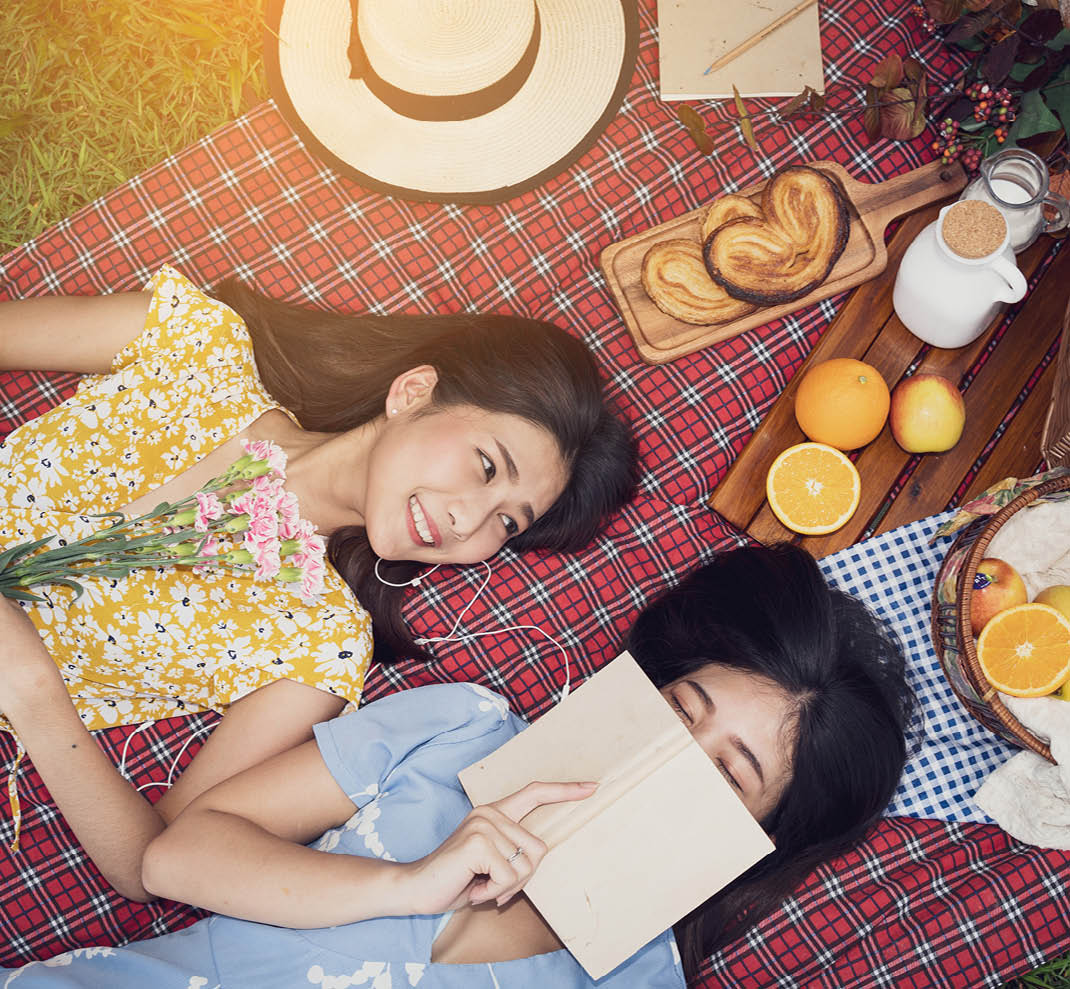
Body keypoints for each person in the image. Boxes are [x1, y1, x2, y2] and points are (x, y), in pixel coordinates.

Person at [0, 265, 636, 903]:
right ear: (413, 392)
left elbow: (147, 865)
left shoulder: (318, 642)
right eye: (486, 465)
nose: (468, 520)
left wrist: (35, 696)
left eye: (507, 521)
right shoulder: (196, 345)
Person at [0, 543, 915, 986]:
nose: (665, 760)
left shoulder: (638, 980)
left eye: (726, 774)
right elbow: (171, 860)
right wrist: (406, 883)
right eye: (681, 712)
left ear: (754, 835)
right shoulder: (463, 727)